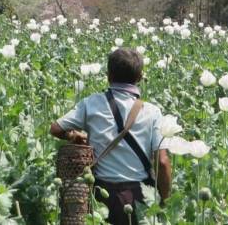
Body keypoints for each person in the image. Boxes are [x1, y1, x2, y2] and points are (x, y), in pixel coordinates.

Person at [50, 48, 172, 225]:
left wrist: (74, 135)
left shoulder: (91, 103)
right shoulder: (153, 112)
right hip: (140, 197)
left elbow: (55, 128)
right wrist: (165, 200)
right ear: (140, 77)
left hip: (102, 197)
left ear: (108, 75)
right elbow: (162, 162)